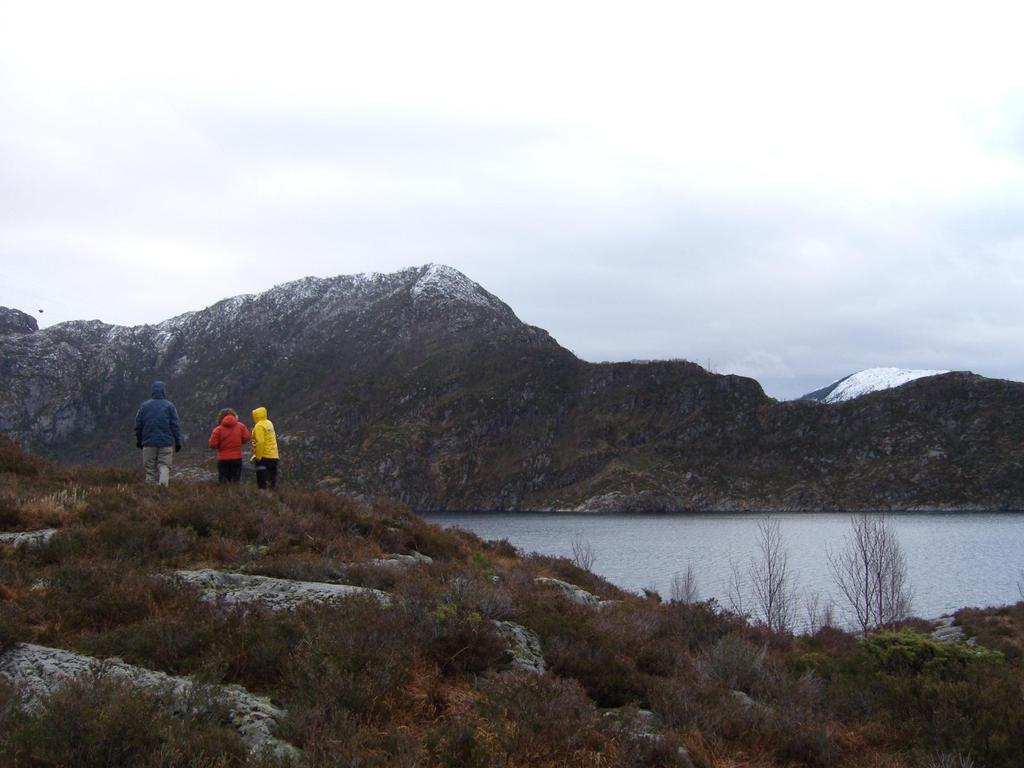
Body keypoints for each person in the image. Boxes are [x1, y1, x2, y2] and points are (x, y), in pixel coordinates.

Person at [134, 380, 182, 486]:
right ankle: (163, 489)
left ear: (152, 391)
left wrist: (139, 440)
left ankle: (150, 493)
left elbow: (138, 425)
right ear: (163, 391)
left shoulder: (144, 406)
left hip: (148, 442)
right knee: (164, 466)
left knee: (150, 469)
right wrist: (178, 441)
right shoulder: (170, 406)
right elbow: (175, 425)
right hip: (166, 442)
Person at [208, 408, 250, 483]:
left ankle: (225, 494)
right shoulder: (241, 426)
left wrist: (220, 446)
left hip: (223, 459)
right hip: (237, 458)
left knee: (224, 482)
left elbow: (212, 444)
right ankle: (235, 494)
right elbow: (246, 438)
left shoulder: (218, 429)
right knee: (235, 481)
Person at [250, 405, 279, 489]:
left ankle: (264, 498)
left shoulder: (259, 426)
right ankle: (273, 496)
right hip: (274, 456)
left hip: (264, 457)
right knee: (272, 479)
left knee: (262, 481)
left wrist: (258, 457)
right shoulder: (269, 423)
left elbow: (260, 442)